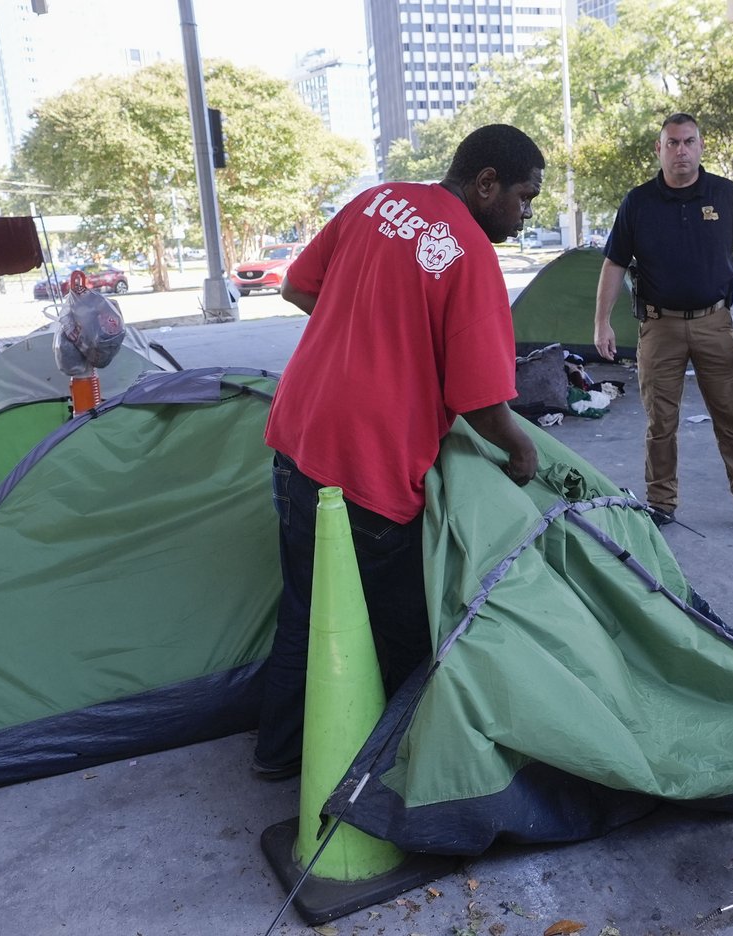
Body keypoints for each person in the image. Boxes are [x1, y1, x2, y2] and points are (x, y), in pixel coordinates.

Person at [254, 124, 544, 780]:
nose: (527, 213)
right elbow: (480, 401)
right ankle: (397, 770)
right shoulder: (469, 251)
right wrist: (523, 454)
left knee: (304, 604)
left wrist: (369, 333)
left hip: (297, 434)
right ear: (486, 183)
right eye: (524, 197)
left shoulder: (376, 201)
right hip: (369, 464)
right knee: (407, 631)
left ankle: (276, 757)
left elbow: (300, 287)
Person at [593, 113, 733, 540]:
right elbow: (613, 264)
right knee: (660, 422)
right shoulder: (638, 202)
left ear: (700, 146)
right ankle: (661, 501)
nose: (681, 150)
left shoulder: (727, 195)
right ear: (659, 149)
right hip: (658, 327)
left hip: (715, 323)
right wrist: (601, 322)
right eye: (672, 143)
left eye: (689, 142)